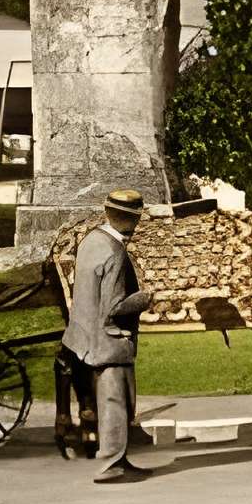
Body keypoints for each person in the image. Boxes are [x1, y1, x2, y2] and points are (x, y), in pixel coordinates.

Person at [66, 186, 156, 481]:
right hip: (111, 339)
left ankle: (119, 460)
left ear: (106, 212)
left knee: (110, 400)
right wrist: (144, 299)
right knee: (117, 401)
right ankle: (113, 465)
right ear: (133, 220)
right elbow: (114, 306)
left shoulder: (91, 241)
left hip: (85, 336)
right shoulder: (116, 254)